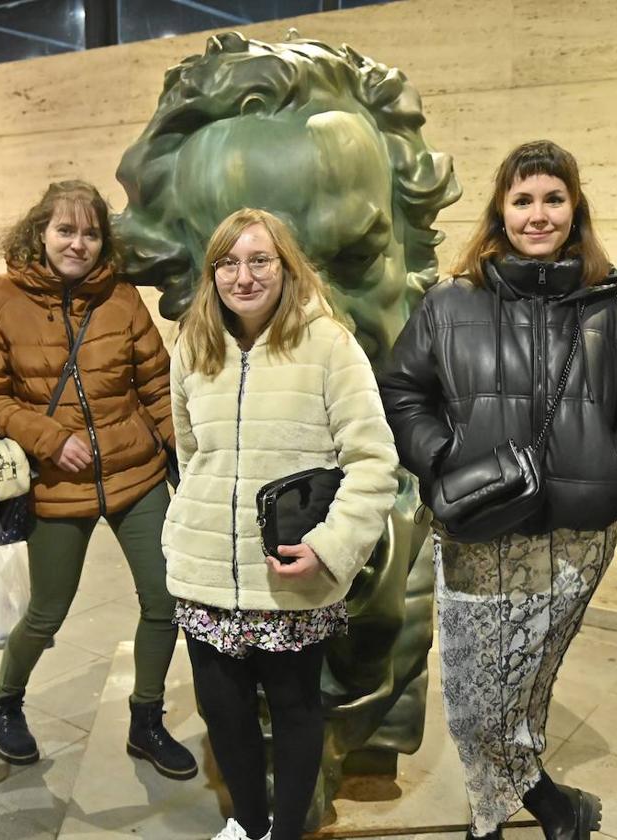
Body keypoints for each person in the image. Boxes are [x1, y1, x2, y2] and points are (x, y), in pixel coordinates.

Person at [380, 140, 617, 840]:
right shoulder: (450, 302)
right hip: (480, 528)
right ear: (501, 210)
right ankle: (553, 810)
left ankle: (491, 821)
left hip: (577, 537)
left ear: (574, 208)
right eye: (523, 199)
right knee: (475, 701)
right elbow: (404, 390)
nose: (538, 214)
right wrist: (442, 458)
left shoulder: (606, 312)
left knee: (526, 691)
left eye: (553, 198)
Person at [164, 207, 398, 840]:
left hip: (290, 571)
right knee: (223, 710)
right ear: (213, 273)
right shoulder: (193, 343)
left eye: (260, 260)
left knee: (295, 710)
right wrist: (191, 523)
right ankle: (246, 822)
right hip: (207, 570)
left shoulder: (328, 344)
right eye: (229, 263)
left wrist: (330, 547)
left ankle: (286, 832)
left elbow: (375, 462)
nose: (244, 276)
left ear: (286, 265)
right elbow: (191, 455)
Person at [0, 180, 196, 780]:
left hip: (136, 474)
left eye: (91, 232)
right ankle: (6, 702)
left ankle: (146, 720)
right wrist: (49, 440)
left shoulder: (123, 299)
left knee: (165, 601)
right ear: (39, 232)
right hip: (53, 483)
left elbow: (155, 388)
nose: (78, 243)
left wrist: (191, 458)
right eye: (65, 230)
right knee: (47, 611)